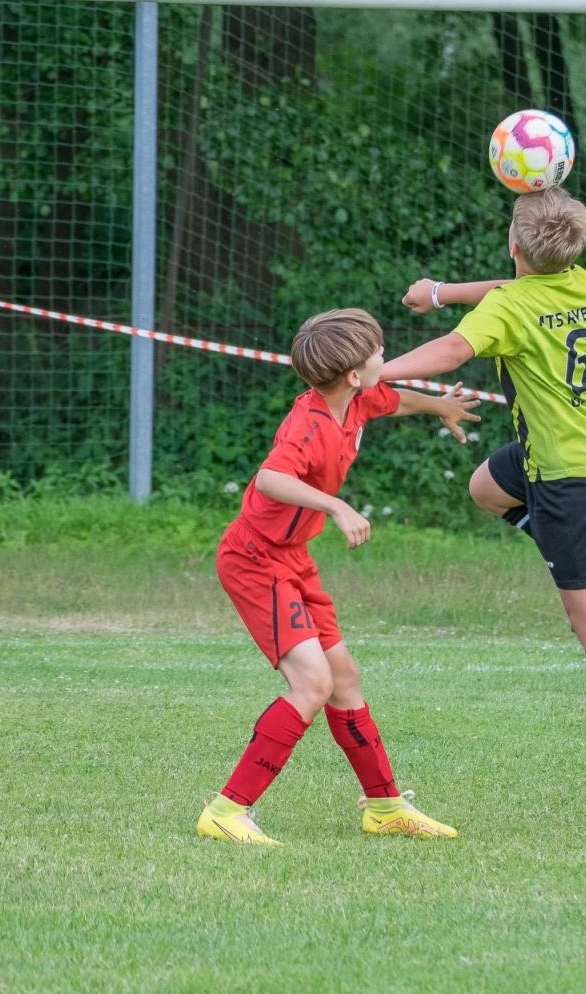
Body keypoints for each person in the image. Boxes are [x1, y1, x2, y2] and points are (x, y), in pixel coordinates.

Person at [382, 186, 586, 817]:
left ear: (515, 244)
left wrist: (372, 370)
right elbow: (504, 289)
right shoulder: (575, 283)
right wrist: (440, 292)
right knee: (486, 488)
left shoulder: (512, 310)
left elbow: (453, 350)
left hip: (567, 473)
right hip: (579, 449)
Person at [196, 308, 482, 846]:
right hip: (255, 560)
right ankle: (226, 810)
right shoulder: (308, 423)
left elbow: (394, 400)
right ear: (352, 374)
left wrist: (440, 406)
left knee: (343, 678)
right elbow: (272, 478)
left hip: (293, 559)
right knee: (313, 683)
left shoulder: (353, 399)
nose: (384, 357)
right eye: (377, 352)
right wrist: (337, 507)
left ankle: (384, 807)